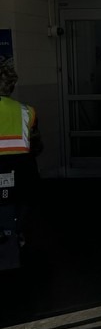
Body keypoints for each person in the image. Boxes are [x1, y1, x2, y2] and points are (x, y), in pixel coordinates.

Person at [0, 57, 42, 271]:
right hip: (22, 167)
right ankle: (16, 233)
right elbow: (36, 144)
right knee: (22, 204)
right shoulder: (27, 111)